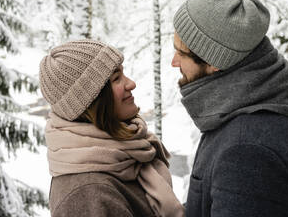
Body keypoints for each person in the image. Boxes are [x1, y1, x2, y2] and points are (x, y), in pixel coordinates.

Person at [171, 0, 288, 216]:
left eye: (181, 53)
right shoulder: (272, 96)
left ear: (213, 61)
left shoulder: (246, 152)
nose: (174, 62)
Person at [39, 39, 184, 217]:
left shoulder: (125, 159)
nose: (131, 83)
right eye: (117, 79)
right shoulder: (88, 194)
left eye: (123, 74)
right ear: (92, 101)